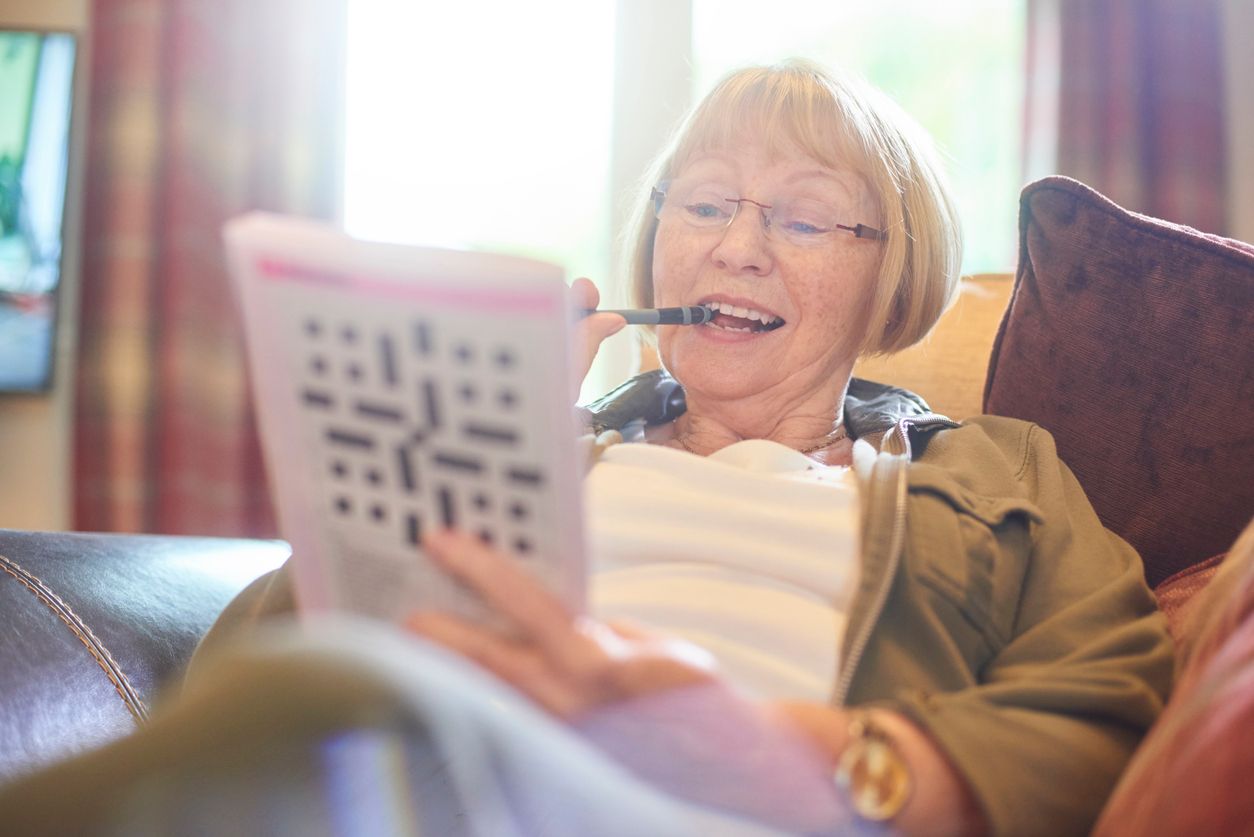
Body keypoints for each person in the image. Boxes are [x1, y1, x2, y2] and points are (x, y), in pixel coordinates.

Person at [0, 60, 1172, 836]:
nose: (736, 249)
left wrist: (798, 758)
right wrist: (464, 461)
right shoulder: (561, 452)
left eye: (805, 217)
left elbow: (1103, 715)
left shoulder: (999, 472)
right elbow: (252, 674)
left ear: (893, 273)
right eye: (704, 204)